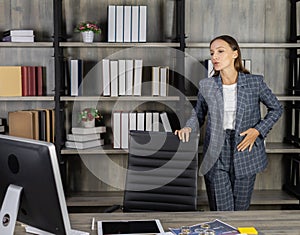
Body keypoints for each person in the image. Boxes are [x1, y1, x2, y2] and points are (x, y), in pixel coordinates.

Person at [175, 35, 283, 211]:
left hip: (245, 148)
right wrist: (188, 126)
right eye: (212, 53)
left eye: (220, 51)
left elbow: (277, 108)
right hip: (216, 153)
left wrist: (257, 131)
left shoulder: (255, 82)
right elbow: (199, 114)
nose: (214, 57)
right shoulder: (207, 85)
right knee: (222, 213)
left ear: (235, 54)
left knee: (240, 213)